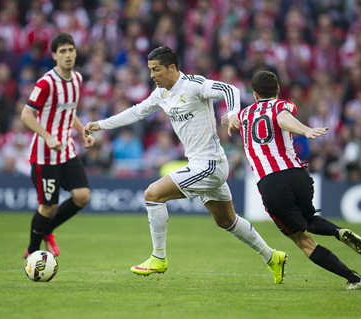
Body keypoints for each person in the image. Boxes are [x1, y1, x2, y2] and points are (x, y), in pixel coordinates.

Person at [84, 46, 287, 284]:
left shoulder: (193, 85)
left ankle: (158, 257)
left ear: (172, 67)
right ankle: (272, 256)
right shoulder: (161, 93)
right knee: (226, 221)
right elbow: (136, 112)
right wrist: (100, 125)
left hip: (209, 164)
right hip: (203, 164)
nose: (152, 75)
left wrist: (233, 114)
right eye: (150, 70)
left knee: (152, 194)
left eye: (156, 69)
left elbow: (230, 88)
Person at [223, 70, 361, 290]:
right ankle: (338, 232)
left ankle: (355, 279)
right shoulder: (282, 104)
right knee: (307, 218)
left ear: (254, 94)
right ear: (278, 90)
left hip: (270, 181)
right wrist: (305, 129)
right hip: (297, 174)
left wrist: (229, 117)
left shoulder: (244, 115)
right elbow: (281, 117)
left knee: (303, 241)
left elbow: (280, 119)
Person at [21, 32, 94, 258]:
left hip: (67, 150)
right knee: (48, 207)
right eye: (62, 51)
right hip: (45, 154)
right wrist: (47, 137)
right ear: (54, 56)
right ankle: (32, 252)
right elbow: (26, 115)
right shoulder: (46, 83)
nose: (68, 54)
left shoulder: (78, 79)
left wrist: (83, 132)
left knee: (82, 196)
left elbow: (68, 111)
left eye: (70, 50)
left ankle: (47, 230)